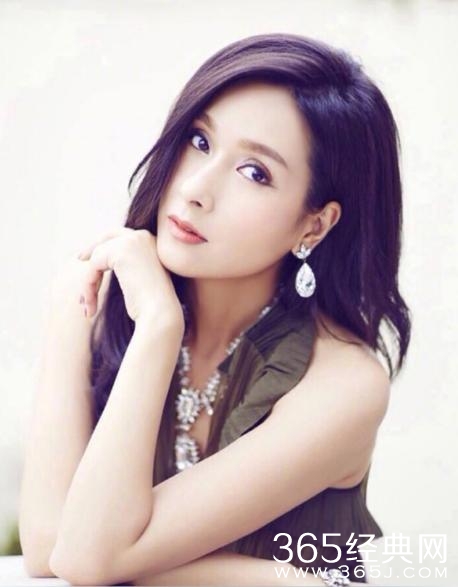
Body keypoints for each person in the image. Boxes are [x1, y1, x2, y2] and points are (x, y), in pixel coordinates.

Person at [19, 33, 411, 586]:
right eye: (200, 141)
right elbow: (48, 549)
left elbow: (83, 559)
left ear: (314, 225)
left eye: (255, 172)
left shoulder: (343, 385)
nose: (196, 189)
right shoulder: (89, 298)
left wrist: (159, 326)